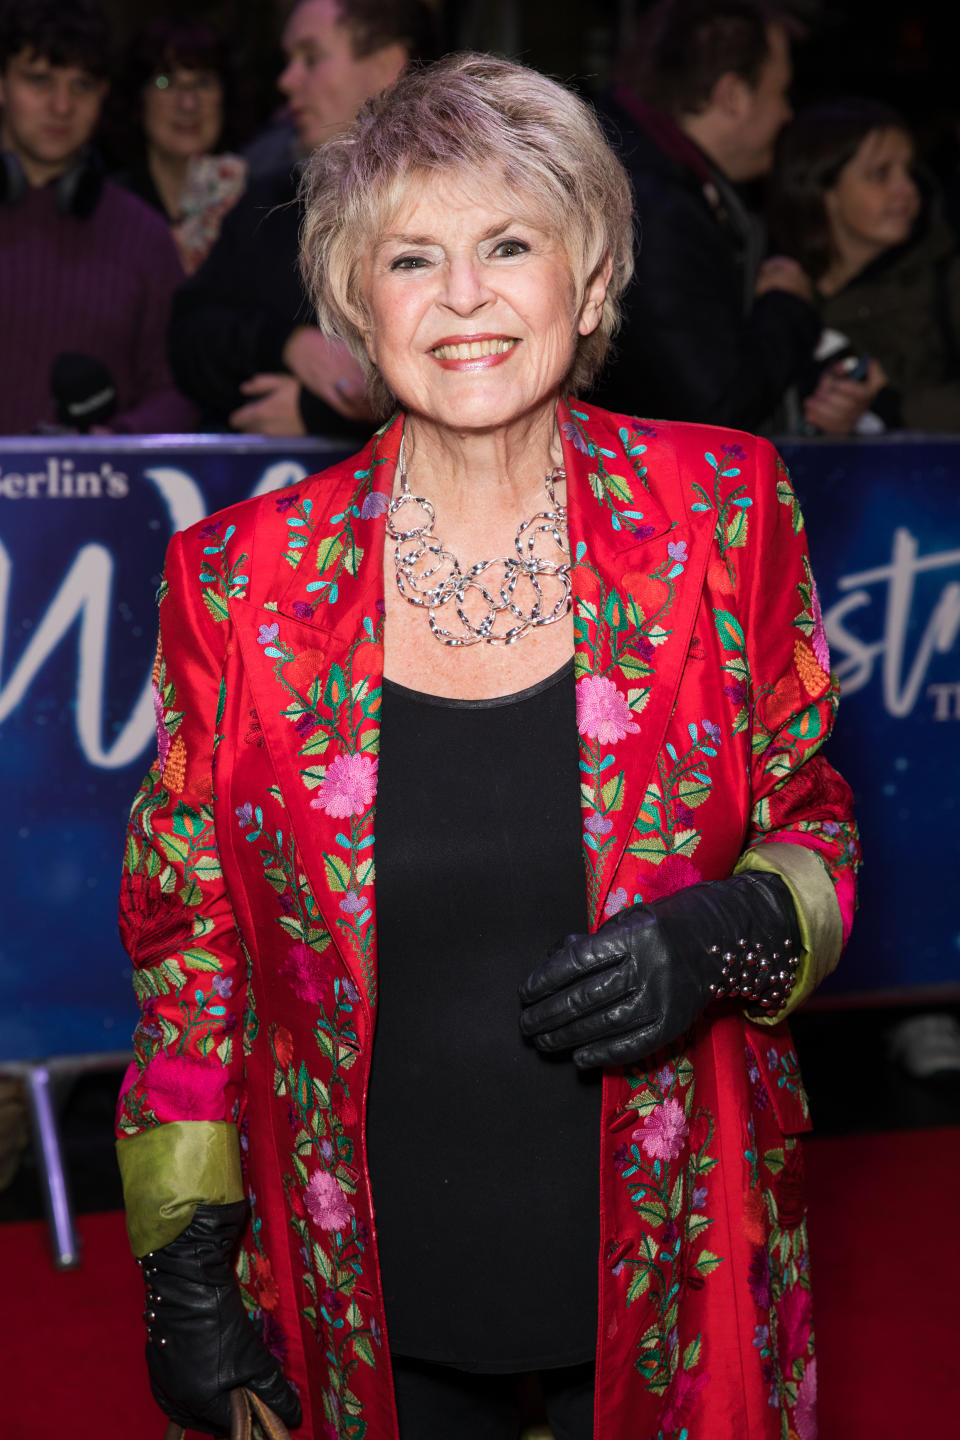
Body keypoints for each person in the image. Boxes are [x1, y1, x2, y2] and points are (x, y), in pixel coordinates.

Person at [115, 53, 860, 1440]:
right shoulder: (237, 580)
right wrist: (185, 1271)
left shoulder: (720, 513)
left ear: (587, 283)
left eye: (509, 243)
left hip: (675, 1232)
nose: (463, 296)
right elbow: (192, 939)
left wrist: (735, 929)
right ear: (356, 304)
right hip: (364, 1268)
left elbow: (811, 815)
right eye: (412, 258)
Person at [591, 0, 883, 436]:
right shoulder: (654, 207)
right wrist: (788, 306)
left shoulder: (662, 181)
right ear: (732, 95)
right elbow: (713, 416)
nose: (787, 114)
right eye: (781, 92)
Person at [167, 0, 437, 438]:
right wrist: (288, 345)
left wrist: (325, 416)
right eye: (289, 61)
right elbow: (188, 338)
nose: (287, 81)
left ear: (387, 66)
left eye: (310, 59)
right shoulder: (276, 202)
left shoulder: (462, 204)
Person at [0, 0, 194, 435]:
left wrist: (116, 444)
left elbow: (178, 389)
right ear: (2, 84)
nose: (62, 106)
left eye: (82, 85)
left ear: (103, 95)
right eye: (40, 80)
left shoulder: (144, 235)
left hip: (98, 494)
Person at [769, 99, 960, 431]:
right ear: (822, 190)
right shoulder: (772, 290)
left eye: (909, 171)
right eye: (880, 174)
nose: (908, 190)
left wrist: (892, 408)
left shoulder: (945, 275)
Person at [113, 17, 247, 276]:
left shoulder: (258, 204)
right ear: (138, 101)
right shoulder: (107, 208)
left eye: (204, 83)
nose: (188, 103)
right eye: (166, 82)